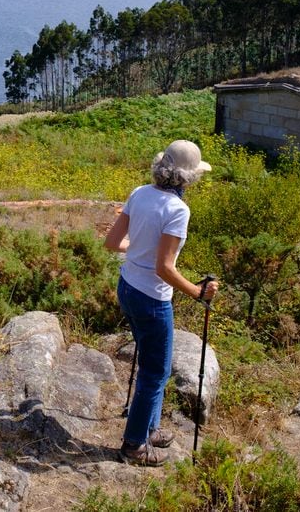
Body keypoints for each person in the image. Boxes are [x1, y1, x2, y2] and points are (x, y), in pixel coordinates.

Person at [103, 139, 219, 467]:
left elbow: (112, 243)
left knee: (153, 367)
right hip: (152, 299)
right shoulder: (178, 210)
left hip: (127, 288)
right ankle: (134, 445)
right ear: (188, 178)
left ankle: (148, 427)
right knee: (156, 372)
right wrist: (197, 293)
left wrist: (139, 247)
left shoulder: (140, 193)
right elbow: (164, 268)